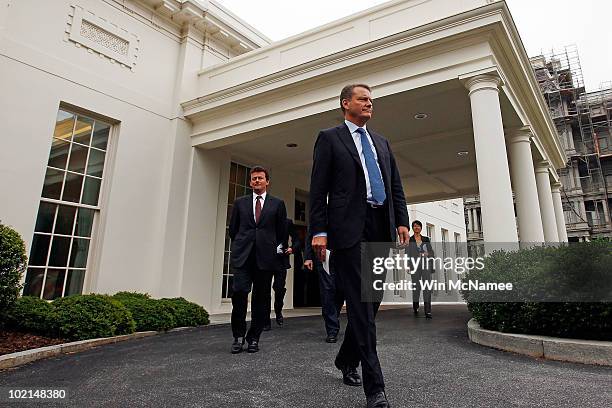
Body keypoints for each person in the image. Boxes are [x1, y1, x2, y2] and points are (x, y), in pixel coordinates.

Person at [309, 84, 409, 408]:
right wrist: (319, 231)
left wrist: (402, 221)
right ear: (345, 103)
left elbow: (395, 184)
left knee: (373, 300)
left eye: (371, 100)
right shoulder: (329, 138)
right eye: (363, 98)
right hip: (348, 229)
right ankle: (376, 390)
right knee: (361, 306)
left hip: (380, 225)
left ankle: (345, 359)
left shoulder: (381, 141)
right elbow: (317, 190)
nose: (369, 103)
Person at [228, 166, 287, 354]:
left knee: (261, 300)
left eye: (260, 178)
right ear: (250, 182)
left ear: (267, 181)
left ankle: (254, 338)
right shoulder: (240, 203)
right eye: (253, 178)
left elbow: (281, 232)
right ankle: (238, 336)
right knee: (239, 295)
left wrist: (273, 249)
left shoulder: (277, 204)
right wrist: (241, 245)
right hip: (243, 257)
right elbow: (233, 230)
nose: (256, 181)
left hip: (265, 259)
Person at [304, 230, 343, 343]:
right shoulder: (320, 213)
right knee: (327, 290)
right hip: (324, 253)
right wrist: (308, 257)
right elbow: (311, 233)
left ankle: (333, 317)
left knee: (341, 289)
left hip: (344, 253)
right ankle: (332, 329)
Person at [263, 218, 301, 330]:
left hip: (281, 261)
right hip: (265, 260)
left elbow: (297, 239)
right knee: (265, 290)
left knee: (279, 288)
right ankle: (266, 320)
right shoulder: (264, 221)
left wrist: (292, 249)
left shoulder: (287, 222)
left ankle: (278, 311)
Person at [408, 220, 434, 319]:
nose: (416, 227)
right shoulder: (410, 240)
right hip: (415, 266)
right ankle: (416, 306)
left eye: (418, 226)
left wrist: (427, 254)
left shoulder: (426, 239)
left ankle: (428, 311)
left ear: (421, 228)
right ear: (413, 228)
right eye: (414, 226)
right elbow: (408, 253)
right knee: (416, 288)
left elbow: (431, 252)